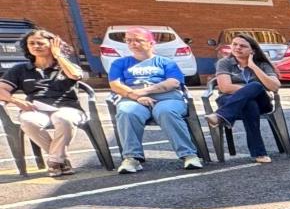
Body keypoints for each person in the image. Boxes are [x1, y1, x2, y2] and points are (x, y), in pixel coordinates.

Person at [108, 26, 199, 173]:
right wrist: (136, 96)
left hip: (166, 97)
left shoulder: (166, 62)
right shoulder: (119, 63)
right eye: (129, 40)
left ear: (151, 43)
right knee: (127, 112)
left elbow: (173, 82)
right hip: (133, 99)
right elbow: (115, 85)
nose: (132, 44)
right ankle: (132, 158)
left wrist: (145, 91)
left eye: (138, 40)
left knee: (166, 112)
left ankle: (189, 155)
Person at [1, 29, 89, 176]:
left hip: (68, 108)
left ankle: (55, 160)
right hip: (37, 108)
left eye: (40, 43)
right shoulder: (20, 69)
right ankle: (60, 159)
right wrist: (15, 100)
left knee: (62, 118)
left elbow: (75, 75)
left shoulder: (65, 65)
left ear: (53, 44)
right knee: (28, 121)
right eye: (31, 43)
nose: (35, 46)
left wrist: (58, 55)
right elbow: (1, 89)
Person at [209, 34, 280, 164]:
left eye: (243, 46)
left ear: (253, 50)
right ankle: (259, 153)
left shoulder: (262, 64)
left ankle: (220, 116)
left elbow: (275, 86)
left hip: (262, 103)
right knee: (250, 104)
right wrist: (249, 91)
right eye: (235, 44)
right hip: (229, 100)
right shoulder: (224, 63)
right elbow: (225, 87)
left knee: (256, 86)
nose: (237, 48)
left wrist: (253, 67)